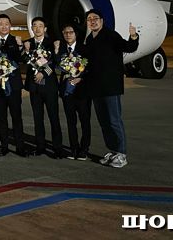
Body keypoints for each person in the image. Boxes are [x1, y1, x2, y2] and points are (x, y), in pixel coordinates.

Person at [83, 9, 139, 168]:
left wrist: (133, 36)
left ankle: (121, 153)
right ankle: (113, 150)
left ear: (102, 20)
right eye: (89, 19)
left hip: (110, 86)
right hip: (96, 87)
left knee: (114, 120)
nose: (92, 21)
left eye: (95, 18)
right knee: (104, 122)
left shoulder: (111, 35)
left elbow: (128, 47)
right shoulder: (90, 39)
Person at [0, 14, 29, 156]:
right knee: (1, 117)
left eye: (6, 23)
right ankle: (4, 146)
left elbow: (22, 60)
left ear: (10, 25)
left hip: (14, 86)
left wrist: (21, 46)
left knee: (16, 116)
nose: (3, 26)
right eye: (0, 23)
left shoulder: (16, 40)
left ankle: (20, 147)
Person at [25, 17, 64, 158]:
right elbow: (24, 61)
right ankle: (40, 147)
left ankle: (57, 148)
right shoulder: (28, 43)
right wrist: (26, 51)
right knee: (37, 118)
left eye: (40, 26)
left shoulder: (51, 43)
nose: (37, 28)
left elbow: (55, 63)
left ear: (45, 29)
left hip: (49, 87)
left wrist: (43, 73)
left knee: (54, 118)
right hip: (34, 87)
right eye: (34, 26)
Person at [57, 23, 91, 160]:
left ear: (76, 34)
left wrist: (80, 79)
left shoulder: (84, 49)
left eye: (70, 32)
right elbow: (55, 64)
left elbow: (90, 68)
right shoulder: (61, 50)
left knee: (84, 121)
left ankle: (84, 149)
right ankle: (73, 149)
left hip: (82, 91)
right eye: (65, 32)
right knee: (71, 122)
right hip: (67, 91)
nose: (68, 35)